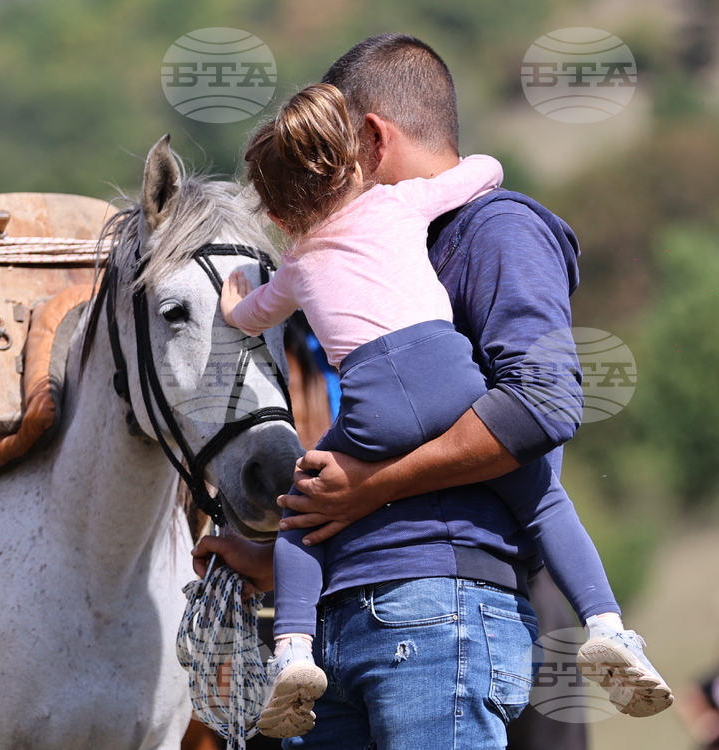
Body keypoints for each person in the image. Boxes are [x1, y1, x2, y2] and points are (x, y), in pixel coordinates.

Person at [195, 34, 670, 750]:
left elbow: (542, 402)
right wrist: (278, 558)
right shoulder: (390, 237)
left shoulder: (495, 231)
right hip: (351, 620)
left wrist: (365, 486)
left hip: (439, 612)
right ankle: (607, 626)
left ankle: (604, 628)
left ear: (370, 139)